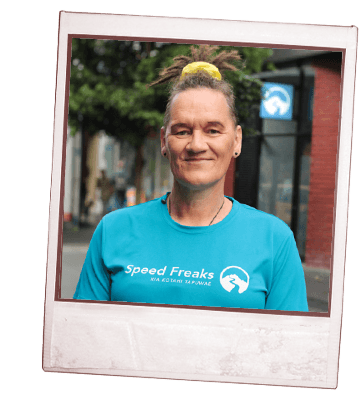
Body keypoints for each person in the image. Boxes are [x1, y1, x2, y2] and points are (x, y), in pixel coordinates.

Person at [73, 46, 308, 311]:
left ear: (237, 140)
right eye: (183, 131)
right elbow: (83, 339)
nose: (197, 145)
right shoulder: (113, 231)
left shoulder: (275, 241)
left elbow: (289, 349)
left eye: (213, 130)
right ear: (164, 141)